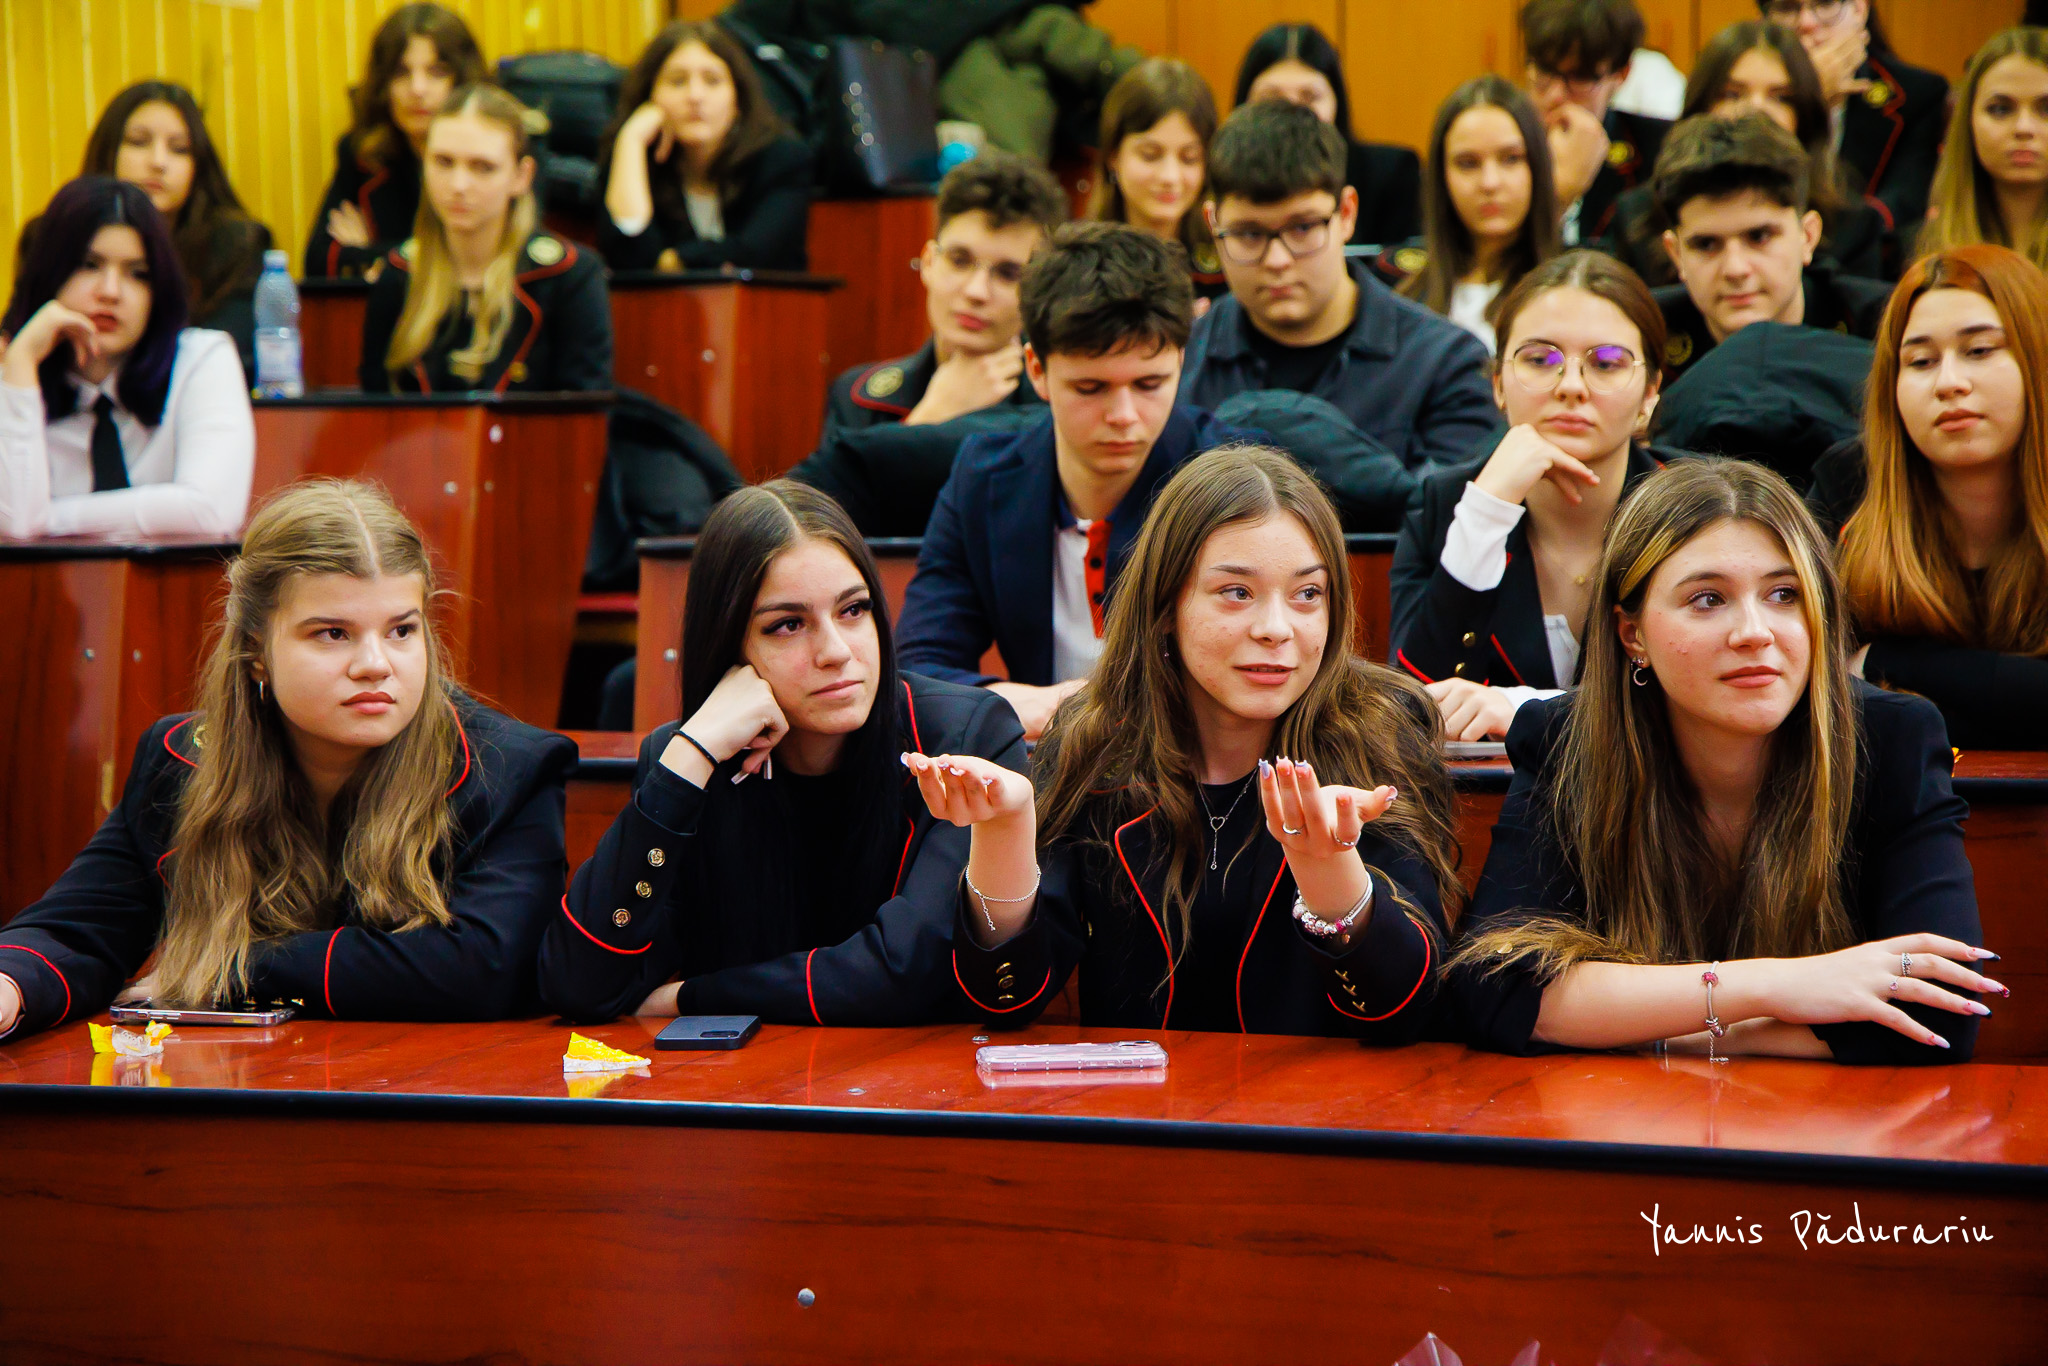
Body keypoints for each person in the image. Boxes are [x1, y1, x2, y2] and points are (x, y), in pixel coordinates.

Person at [1443, 457, 1999, 1065]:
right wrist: (1775, 986)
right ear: (1632, 635)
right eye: (1708, 599)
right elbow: (1494, 986)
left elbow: (1939, 1013)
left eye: (1784, 594)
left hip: (1822, 1116)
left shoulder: (1892, 738)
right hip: (1626, 1113)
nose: (1755, 632)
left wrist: (1640, 1023)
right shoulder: (1565, 740)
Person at [911, 445, 1460, 1035]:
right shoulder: (1096, 742)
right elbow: (1007, 1000)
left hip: (1320, 1095)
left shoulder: (1379, 732)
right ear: (1167, 603)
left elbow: (1405, 1010)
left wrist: (1332, 878)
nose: (1276, 629)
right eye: (1237, 592)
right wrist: (1004, 835)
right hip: (1140, 1095)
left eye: (1307, 594)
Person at [0, 480, 577, 1041]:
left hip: (427, 1087)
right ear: (256, 652)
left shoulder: (508, 767)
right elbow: (78, 929)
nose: (375, 664)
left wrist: (231, 965)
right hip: (246, 1084)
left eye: (401, 630)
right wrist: (10, 986)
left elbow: (483, 966)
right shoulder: (181, 759)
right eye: (333, 634)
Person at [537, 481, 1027, 1024]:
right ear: (729, 645)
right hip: (741, 1076)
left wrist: (691, 997)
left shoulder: (963, 736)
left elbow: (904, 971)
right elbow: (578, 984)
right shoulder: (689, 761)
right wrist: (690, 755)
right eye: (788, 625)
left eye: (854, 610)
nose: (836, 652)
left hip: (918, 1073)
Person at [895, 222, 1244, 740]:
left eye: (1150, 383)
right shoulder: (983, 480)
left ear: (1180, 360)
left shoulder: (1235, 478)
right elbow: (918, 672)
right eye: (1090, 387)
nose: (1124, 415)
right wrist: (1049, 707)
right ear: (1036, 368)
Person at [1391, 251, 1673, 739]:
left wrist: (1524, 710)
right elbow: (1413, 709)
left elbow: (1702, 701)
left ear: (1650, 393)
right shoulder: (1445, 506)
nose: (1572, 386)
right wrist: (1486, 512)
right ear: (1498, 385)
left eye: (1607, 363)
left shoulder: (1697, 508)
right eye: (1541, 360)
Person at [1807, 244, 2048, 752]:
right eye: (1921, 361)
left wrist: (1889, 662)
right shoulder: (1848, 483)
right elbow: (1813, 691)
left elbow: (1867, 696)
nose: (1949, 383)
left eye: (1979, 351)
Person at [1180, 100, 1500, 477]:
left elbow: (1454, 510)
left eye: (1302, 228)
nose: (1277, 260)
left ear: (1347, 213)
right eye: (1249, 234)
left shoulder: (1445, 364)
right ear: (1213, 223)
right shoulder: (1178, 365)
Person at [0, 177, 252, 541]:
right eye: (89, 265)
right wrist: (21, 363)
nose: (111, 292)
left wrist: (49, 518)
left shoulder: (200, 360)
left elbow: (210, 510)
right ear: (49, 274)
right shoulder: (13, 377)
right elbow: (16, 526)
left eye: (138, 274)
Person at [358, 85, 611, 396]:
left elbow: (583, 413)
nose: (459, 185)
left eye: (483, 167)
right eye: (443, 162)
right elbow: (376, 406)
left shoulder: (569, 277)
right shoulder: (399, 274)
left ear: (521, 177)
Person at [1599, 21, 1886, 287]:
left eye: (1780, 97)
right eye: (1732, 95)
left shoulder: (1853, 224)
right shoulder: (1636, 217)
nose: (1755, 111)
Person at [821, 151, 1065, 438]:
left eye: (1008, 274)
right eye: (960, 261)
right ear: (928, 263)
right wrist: (931, 417)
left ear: (1038, 290)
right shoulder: (858, 398)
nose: (976, 291)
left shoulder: (1055, 407)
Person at [1650, 113, 1889, 386]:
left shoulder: (1885, 328)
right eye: (1706, 245)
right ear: (1676, 254)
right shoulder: (1640, 335)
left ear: (1807, 237)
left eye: (1759, 237)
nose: (1735, 269)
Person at [56, 81, 274, 378]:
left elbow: (226, 357)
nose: (158, 162)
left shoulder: (237, 245)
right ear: (109, 151)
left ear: (197, 165)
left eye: (179, 149)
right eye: (138, 142)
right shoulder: (57, 235)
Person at [597, 20, 812, 273]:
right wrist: (631, 140)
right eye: (677, 81)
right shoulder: (631, 159)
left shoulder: (782, 158)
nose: (695, 96)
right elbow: (627, 256)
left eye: (712, 81)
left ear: (737, 98)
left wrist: (671, 261)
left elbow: (752, 253)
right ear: (650, 96)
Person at [305, 3, 486, 280]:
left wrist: (370, 253)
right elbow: (318, 261)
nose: (417, 89)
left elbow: (485, 255)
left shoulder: (496, 154)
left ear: (462, 81)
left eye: (436, 72)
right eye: (401, 73)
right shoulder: (362, 154)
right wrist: (401, 258)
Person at [1389, 76, 1561, 355]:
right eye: (1468, 163)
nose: (1490, 183)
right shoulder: (1404, 300)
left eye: (1511, 158)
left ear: (1538, 167)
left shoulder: (1573, 293)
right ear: (1442, 177)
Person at [1757, 0, 1947, 239]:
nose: (1806, 23)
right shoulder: (1738, 91)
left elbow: (1900, 206)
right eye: (1787, 7)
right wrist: (1808, 100)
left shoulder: (1918, 93)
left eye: (1825, 3)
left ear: (1859, 10)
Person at [1233, 23, 1422, 248]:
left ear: (1336, 103)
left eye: (1309, 97)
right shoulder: (1220, 178)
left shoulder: (1392, 174)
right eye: (1273, 99)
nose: (1292, 113)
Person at [1521, 0, 1672, 246]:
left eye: (1580, 77)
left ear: (1621, 74)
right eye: (1544, 71)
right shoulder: (1498, 146)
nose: (1555, 95)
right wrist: (1559, 196)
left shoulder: (1661, 150)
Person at [1088, 59, 1227, 300]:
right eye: (1150, 155)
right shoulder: (1081, 267)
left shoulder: (1227, 264)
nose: (1169, 176)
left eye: (1189, 158)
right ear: (1113, 156)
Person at [1918, 29, 2048, 275]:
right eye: (2000, 109)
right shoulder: (1923, 251)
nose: (2023, 128)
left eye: (2046, 110)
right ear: (1967, 122)